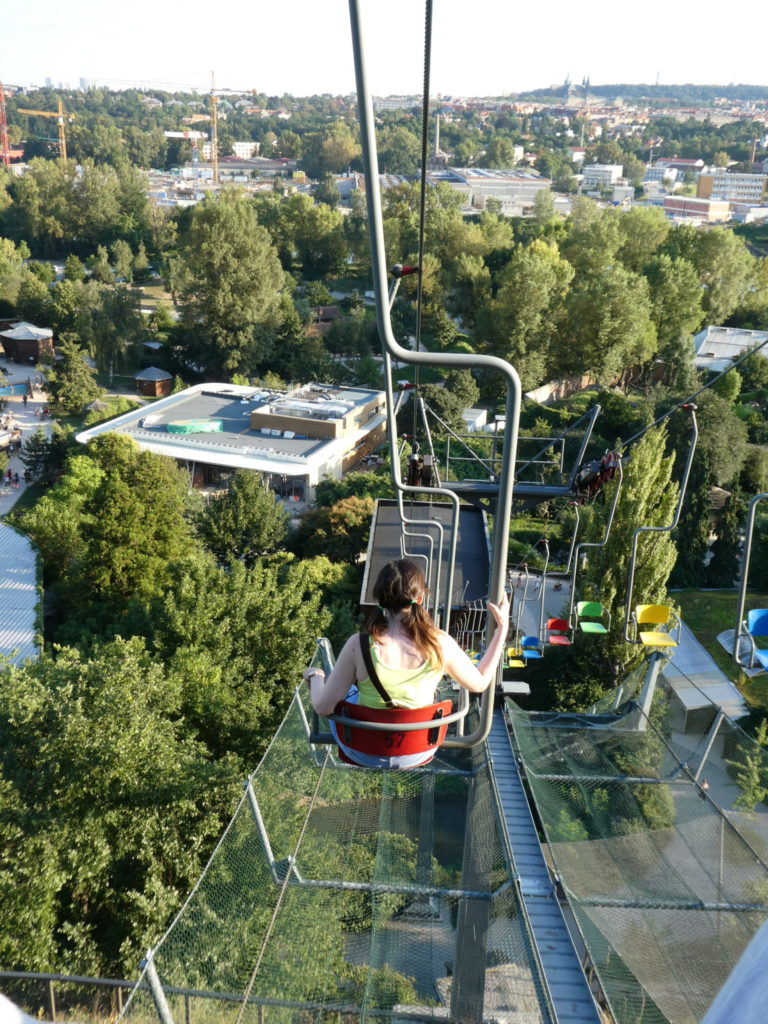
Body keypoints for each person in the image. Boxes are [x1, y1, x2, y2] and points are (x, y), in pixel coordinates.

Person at [303, 557, 510, 769]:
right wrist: (501, 629)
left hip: (361, 749)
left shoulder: (359, 645)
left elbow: (322, 707)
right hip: (418, 750)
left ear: (380, 600)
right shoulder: (439, 643)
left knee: (349, 693)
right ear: (420, 599)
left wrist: (316, 677)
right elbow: (480, 683)